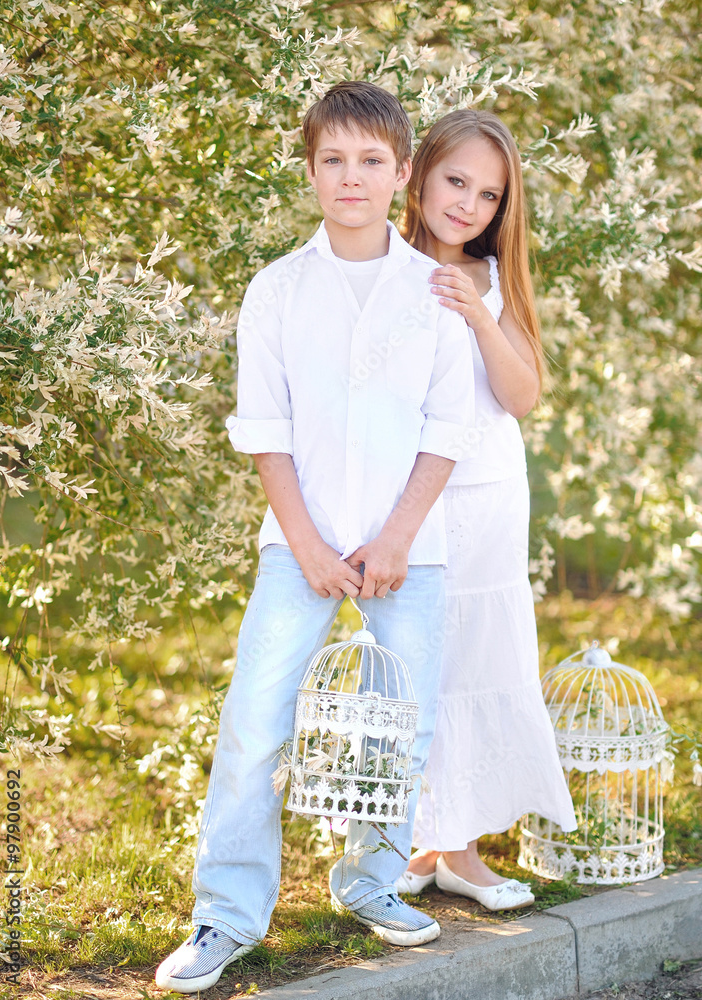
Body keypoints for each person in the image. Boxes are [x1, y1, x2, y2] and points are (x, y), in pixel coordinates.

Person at [154, 82, 475, 994]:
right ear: (309, 170)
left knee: (398, 725)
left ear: (401, 173)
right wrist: (307, 547)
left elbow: (446, 427)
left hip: (410, 551)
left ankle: (371, 882)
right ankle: (225, 914)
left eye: (370, 160)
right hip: (297, 544)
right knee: (255, 722)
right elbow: (267, 431)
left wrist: (395, 538)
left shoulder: (434, 292)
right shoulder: (278, 290)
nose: (350, 177)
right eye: (332, 159)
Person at [394, 109, 577, 910]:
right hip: (407, 498)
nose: (467, 204)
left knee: (477, 660)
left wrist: (475, 312)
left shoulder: (493, 276)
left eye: (488, 195)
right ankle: (421, 837)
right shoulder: (382, 266)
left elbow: (520, 394)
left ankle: (460, 848)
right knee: (415, 661)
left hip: (487, 492)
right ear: (419, 175)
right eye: (456, 181)